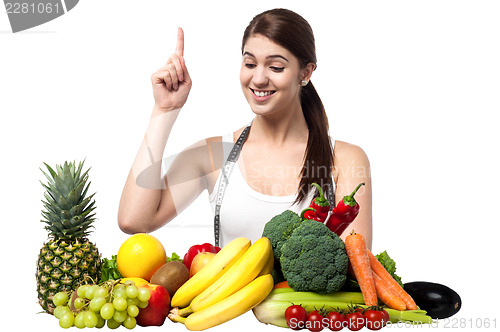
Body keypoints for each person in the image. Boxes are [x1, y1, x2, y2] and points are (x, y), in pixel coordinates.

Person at [118, 8, 372, 249]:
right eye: (250, 64)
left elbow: (356, 264)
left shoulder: (345, 159)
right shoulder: (214, 155)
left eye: (275, 67)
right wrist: (164, 110)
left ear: (305, 73)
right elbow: (134, 220)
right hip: (226, 297)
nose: (258, 79)